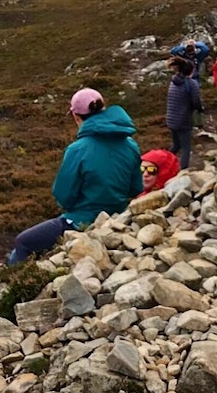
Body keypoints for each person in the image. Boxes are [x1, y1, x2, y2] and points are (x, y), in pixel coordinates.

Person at [8, 88, 142, 264]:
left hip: (80, 221)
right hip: (118, 220)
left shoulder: (77, 149)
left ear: (76, 117)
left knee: (23, 242)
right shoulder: (131, 145)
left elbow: (64, 197)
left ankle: (16, 286)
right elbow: (136, 188)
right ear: (104, 108)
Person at [165, 56, 204, 168]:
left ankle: (163, 162)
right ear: (191, 71)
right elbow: (196, 101)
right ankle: (183, 170)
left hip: (171, 119)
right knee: (186, 147)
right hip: (183, 120)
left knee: (176, 145)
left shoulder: (174, 81)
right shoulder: (191, 84)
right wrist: (200, 109)